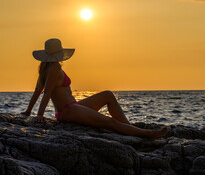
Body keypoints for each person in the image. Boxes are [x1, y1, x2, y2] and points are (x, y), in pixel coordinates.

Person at [21, 38, 168, 140]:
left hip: (72, 107)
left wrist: (28, 111)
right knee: (111, 123)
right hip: (69, 111)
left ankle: (128, 127)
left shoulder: (45, 68)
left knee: (108, 95)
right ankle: (147, 134)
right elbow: (45, 93)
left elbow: (37, 92)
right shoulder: (54, 67)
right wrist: (39, 115)